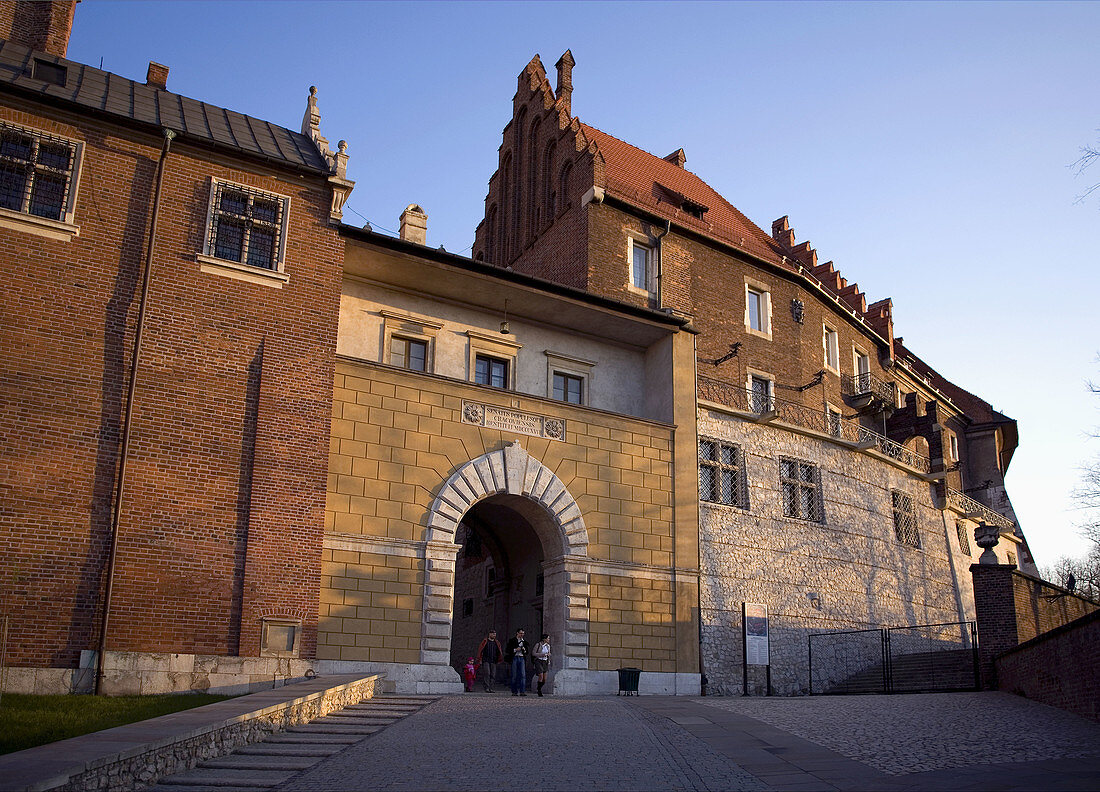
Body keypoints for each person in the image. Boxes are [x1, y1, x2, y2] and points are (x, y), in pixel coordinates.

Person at [505, 627, 529, 696]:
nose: (522, 635)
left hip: (522, 658)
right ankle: (514, 691)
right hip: (514, 658)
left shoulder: (524, 642)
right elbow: (507, 650)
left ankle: (522, 691)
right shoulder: (512, 640)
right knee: (514, 675)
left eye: (523, 633)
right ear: (517, 633)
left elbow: (527, 652)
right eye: (521, 633)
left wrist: (524, 650)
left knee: (523, 675)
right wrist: (515, 649)